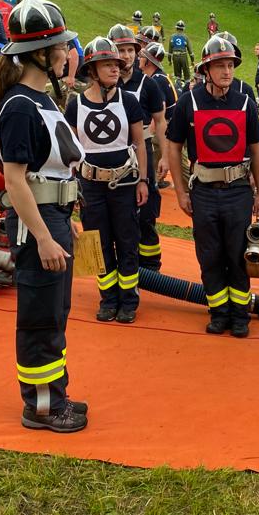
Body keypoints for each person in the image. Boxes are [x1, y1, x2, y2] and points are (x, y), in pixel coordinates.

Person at [0, 0, 87, 433]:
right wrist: (44, 236)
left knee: (56, 311)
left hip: (55, 217)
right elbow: (15, 181)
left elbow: (54, 169)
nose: (68, 54)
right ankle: (41, 407)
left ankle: (55, 393)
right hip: (38, 224)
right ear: (41, 55)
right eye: (62, 47)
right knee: (40, 317)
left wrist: (67, 217)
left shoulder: (42, 100)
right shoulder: (20, 106)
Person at [166, 34, 259, 337]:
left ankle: (240, 315)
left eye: (230, 65)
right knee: (209, 255)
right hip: (204, 192)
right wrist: (180, 192)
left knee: (238, 254)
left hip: (238, 191)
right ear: (206, 70)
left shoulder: (245, 103)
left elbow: (256, 150)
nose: (227, 71)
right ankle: (219, 312)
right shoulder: (189, 102)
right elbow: (173, 147)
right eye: (220, 65)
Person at [65, 37, 148, 324]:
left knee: (127, 242)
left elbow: (140, 143)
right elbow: (71, 151)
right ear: (92, 70)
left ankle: (128, 301)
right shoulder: (75, 105)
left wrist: (143, 180)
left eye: (116, 65)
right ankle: (108, 299)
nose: (115, 69)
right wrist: (72, 187)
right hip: (91, 187)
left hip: (124, 184)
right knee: (97, 244)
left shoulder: (129, 101)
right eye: (107, 65)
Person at [112, 23, 169, 270]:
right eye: (120, 50)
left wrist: (165, 156)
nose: (126, 56)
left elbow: (161, 122)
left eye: (130, 50)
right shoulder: (104, 84)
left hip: (142, 150)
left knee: (145, 211)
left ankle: (150, 264)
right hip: (112, 152)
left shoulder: (148, 84)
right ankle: (123, 261)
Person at [139, 40, 178, 189]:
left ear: (148, 62)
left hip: (169, 124)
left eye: (142, 56)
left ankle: (153, 181)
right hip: (172, 123)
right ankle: (156, 179)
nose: (139, 59)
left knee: (154, 149)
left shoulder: (156, 81)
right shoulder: (158, 77)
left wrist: (148, 134)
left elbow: (160, 112)